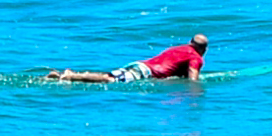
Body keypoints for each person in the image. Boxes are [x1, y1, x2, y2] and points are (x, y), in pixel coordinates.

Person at [48, 34, 209, 85]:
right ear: (204, 50)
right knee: (108, 79)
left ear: (190, 42)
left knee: (109, 76)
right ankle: (70, 76)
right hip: (145, 73)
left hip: (141, 65)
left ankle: (68, 74)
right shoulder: (195, 57)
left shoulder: (178, 48)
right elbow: (192, 79)